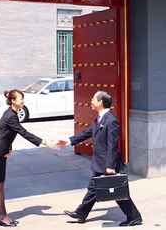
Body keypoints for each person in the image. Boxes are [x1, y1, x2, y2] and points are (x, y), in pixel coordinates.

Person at [58, 91, 142, 227]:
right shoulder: (99, 119)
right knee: (95, 189)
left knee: (117, 192)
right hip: (100, 163)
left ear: (101, 102)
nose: (91, 101)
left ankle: (134, 217)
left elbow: (112, 146)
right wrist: (68, 141)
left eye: (93, 99)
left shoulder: (111, 121)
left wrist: (110, 166)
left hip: (107, 164)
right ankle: (81, 213)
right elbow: (86, 133)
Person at [0, 89, 53, 227]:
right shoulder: (11, 116)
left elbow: (5, 134)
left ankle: (2, 216)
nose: (23, 101)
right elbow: (23, 132)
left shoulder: (11, 113)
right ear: (13, 101)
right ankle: (2, 217)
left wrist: (8, 148)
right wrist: (43, 142)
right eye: (21, 99)